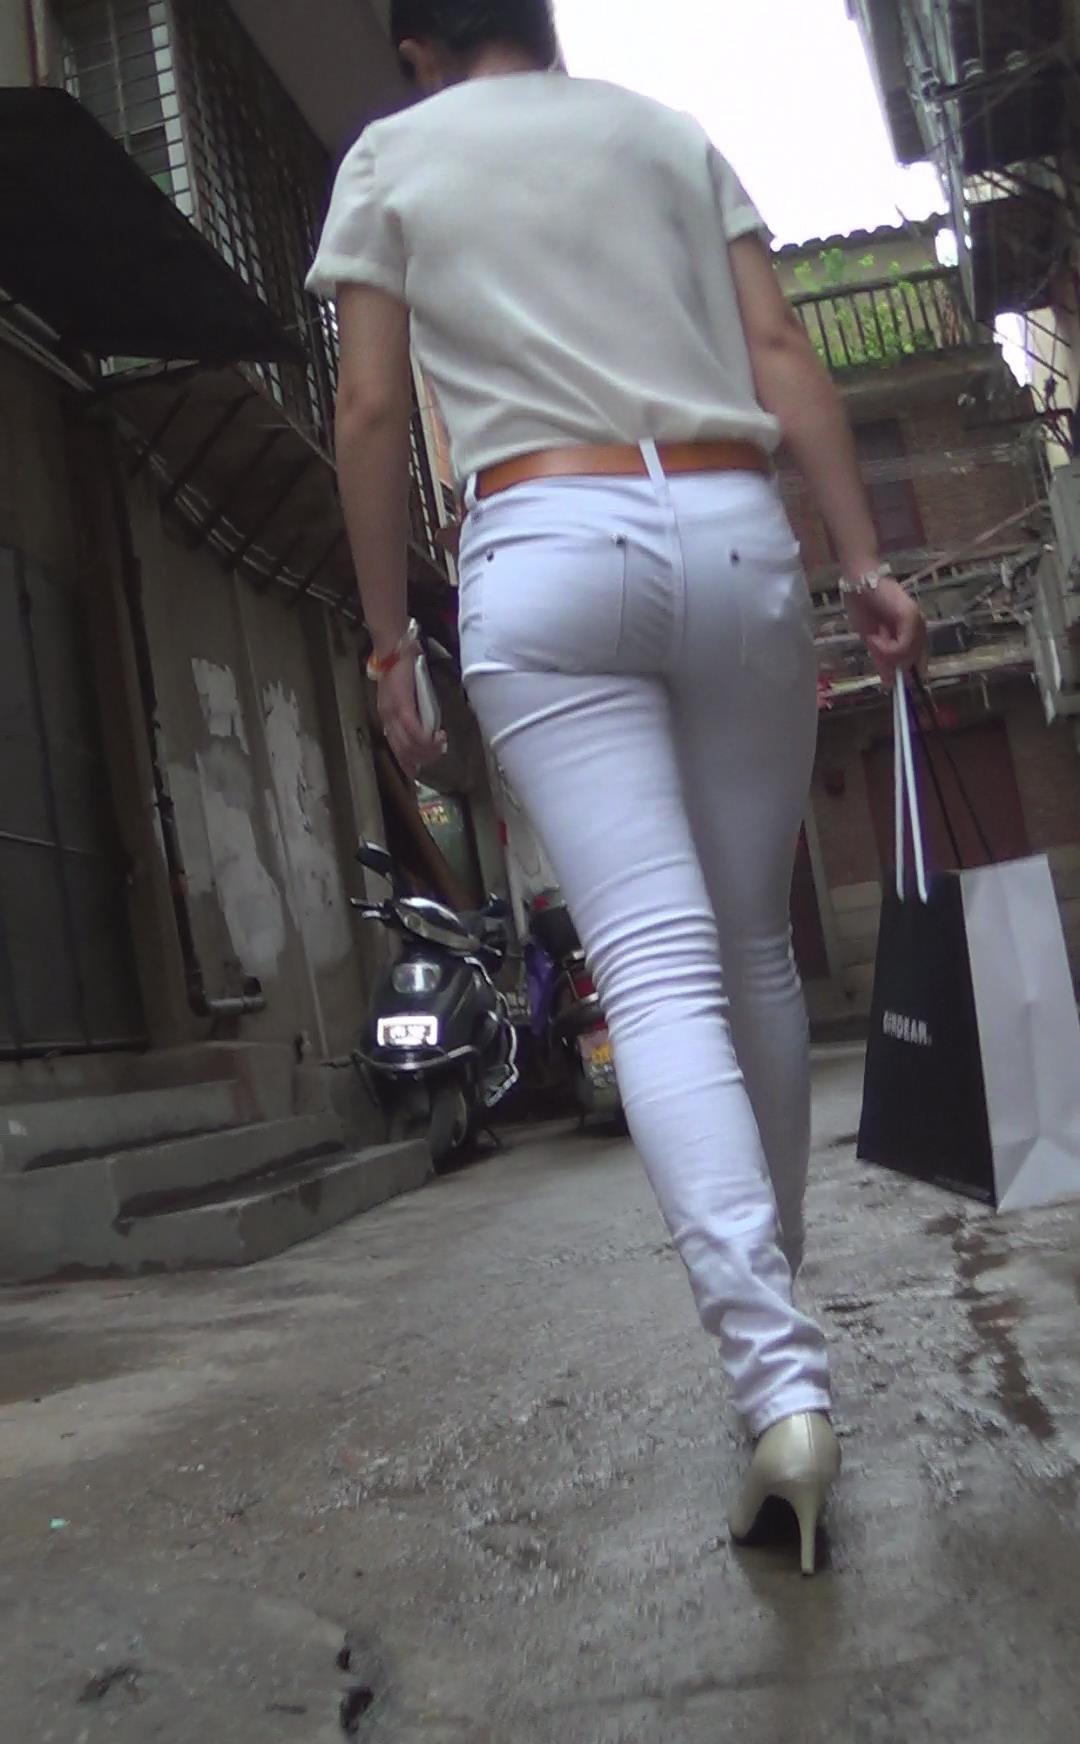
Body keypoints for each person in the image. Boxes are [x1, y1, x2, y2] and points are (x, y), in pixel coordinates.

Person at [307, 0, 927, 1575]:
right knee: (754, 950)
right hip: (729, 535)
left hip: (547, 543)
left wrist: (387, 644)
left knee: (651, 969)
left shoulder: (391, 160)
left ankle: (778, 1383)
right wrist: (865, 559)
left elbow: (369, 410)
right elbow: (777, 351)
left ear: (416, 48)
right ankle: (776, 1329)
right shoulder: (667, 136)